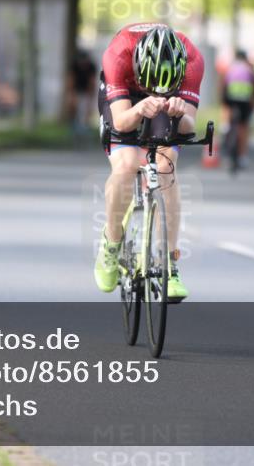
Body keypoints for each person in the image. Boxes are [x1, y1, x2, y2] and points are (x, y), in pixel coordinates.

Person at [94, 23, 204, 302]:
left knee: (166, 167)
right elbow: (121, 122)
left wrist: (179, 114)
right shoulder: (118, 55)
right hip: (125, 100)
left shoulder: (192, 60)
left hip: (170, 101)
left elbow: (189, 127)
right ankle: (112, 242)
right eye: (147, 85)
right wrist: (139, 107)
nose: (151, 91)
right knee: (127, 164)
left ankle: (170, 265)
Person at [222, 49, 254, 169]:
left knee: (228, 112)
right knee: (244, 127)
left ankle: (225, 126)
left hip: (231, 98)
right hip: (245, 100)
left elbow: (223, 84)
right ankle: (242, 156)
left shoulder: (230, 68)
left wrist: (223, 101)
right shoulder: (249, 69)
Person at [69, 48, 98, 132]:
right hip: (76, 88)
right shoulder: (74, 65)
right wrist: (72, 94)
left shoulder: (91, 66)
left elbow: (92, 82)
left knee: (86, 107)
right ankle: (73, 124)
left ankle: (86, 125)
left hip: (87, 89)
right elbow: (71, 80)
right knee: (73, 105)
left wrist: (91, 96)